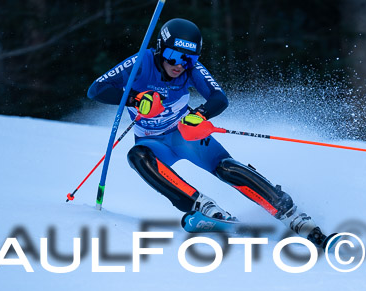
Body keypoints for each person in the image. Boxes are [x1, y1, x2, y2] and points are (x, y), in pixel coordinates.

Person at [87, 18, 332, 248]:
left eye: (188, 59)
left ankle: (292, 215)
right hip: (153, 143)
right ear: (161, 49)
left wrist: (201, 114)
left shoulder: (191, 70)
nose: (179, 64)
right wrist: (133, 98)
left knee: (227, 168)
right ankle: (203, 206)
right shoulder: (140, 63)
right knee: (137, 156)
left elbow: (219, 98)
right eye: (172, 56)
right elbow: (96, 89)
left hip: (185, 136)